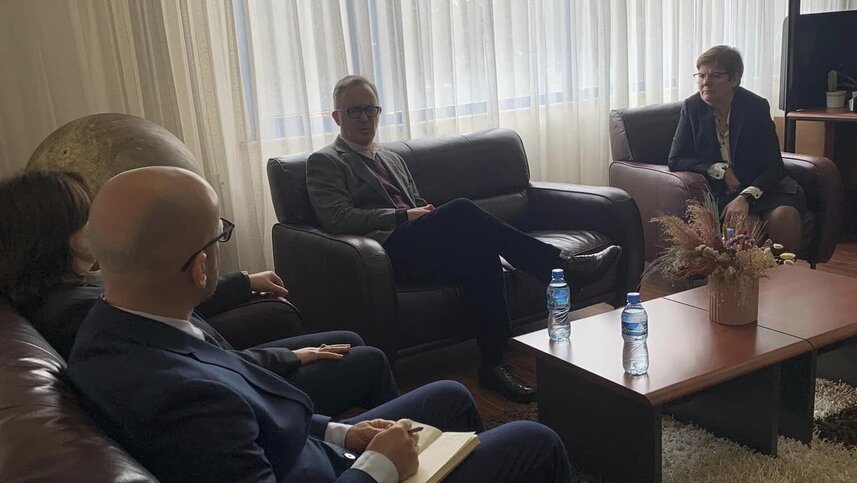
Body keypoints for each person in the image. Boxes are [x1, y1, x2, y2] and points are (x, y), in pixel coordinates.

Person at [67, 166, 572, 483]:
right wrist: (379, 465)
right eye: (220, 236)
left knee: (450, 395)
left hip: (316, 451)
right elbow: (225, 406)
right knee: (536, 440)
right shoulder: (181, 399)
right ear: (200, 267)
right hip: (331, 473)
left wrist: (342, 432)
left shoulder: (122, 323)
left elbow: (241, 395)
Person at [306, 75, 622, 402]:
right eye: (354, 111)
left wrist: (422, 214)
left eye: (370, 109)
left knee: (481, 253)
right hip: (383, 252)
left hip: (420, 243)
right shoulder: (326, 162)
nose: (364, 118)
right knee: (462, 209)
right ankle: (561, 268)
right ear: (337, 117)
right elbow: (337, 217)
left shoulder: (391, 157)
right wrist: (403, 216)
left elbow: (417, 202)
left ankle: (492, 364)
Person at [0, 170, 397, 416]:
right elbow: (191, 369)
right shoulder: (76, 313)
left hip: (223, 368)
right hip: (233, 387)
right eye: (87, 219)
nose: (100, 227)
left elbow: (161, 291)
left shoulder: (69, 291)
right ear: (53, 236)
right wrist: (290, 356)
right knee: (370, 360)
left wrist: (244, 281)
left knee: (349, 339)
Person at [669, 45, 806, 253]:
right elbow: (676, 159)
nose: (706, 82)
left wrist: (746, 197)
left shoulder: (755, 106)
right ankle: (751, 275)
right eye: (701, 75)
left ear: (734, 79)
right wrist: (721, 169)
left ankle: (785, 272)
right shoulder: (692, 108)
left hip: (763, 187)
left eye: (715, 75)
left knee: (784, 217)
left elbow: (775, 166)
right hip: (723, 193)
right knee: (742, 226)